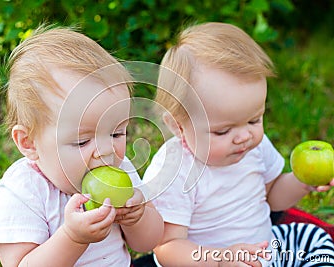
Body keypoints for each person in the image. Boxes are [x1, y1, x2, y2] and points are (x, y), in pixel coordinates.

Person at [143, 22, 334, 266]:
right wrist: (221, 260)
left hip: (266, 251)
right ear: (178, 126)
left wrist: (302, 181)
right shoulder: (174, 171)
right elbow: (167, 248)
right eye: (223, 131)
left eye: (254, 120)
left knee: (313, 239)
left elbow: (273, 197)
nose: (244, 136)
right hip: (209, 262)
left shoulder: (254, 147)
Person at [0, 24, 164, 267]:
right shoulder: (23, 191)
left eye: (116, 133)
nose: (106, 151)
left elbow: (148, 243)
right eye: (82, 140)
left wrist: (138, 217)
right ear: (29, 143)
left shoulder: (120, 167)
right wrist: (73, 237)